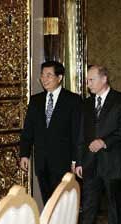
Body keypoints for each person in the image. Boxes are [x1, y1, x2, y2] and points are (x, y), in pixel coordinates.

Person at [72, 65, 121, 224]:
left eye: (91, 80)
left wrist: (104, 141)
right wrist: (78, 161)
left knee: (117, 207)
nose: (88, 84)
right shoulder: (86, 104)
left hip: (114, 163)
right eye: (87, 80)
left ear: (104, 79)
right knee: (88, 207)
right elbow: (81, 134)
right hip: (90, 164)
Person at [19, 61, 82, 204]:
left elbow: (77, 133)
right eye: (42, 75)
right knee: (48, 201)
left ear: (59, 78)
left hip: (63, 162)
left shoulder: (73, 100)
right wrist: (24, 154)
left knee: (62, 202)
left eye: (49, 75)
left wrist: (76, 160)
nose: (44, 79)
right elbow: (28, 129)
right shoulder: (36, 100)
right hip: (42, 161)